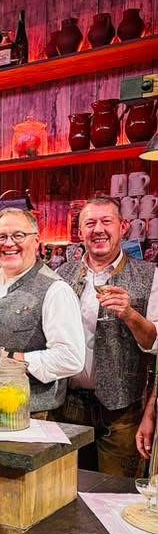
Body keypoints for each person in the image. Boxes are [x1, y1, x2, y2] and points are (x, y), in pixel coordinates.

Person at [54, 196, 158, 477]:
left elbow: (154, 343)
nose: (98, 229)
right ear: (80, 232)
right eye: (90, 223)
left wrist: (130, 314)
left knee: (116, 492)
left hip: (123, 412)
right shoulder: (61, 275)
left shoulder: (149, 275)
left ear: (123, 227)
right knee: (68, 488)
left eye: (106, 221)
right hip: (68, 406)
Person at [0, 208, 84, 415]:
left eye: (18, 235)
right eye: (1, 237)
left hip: (33, 414)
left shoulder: (56, 290)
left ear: (36, 241)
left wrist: (6, 357)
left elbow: (70, 359)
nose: (8, 243)